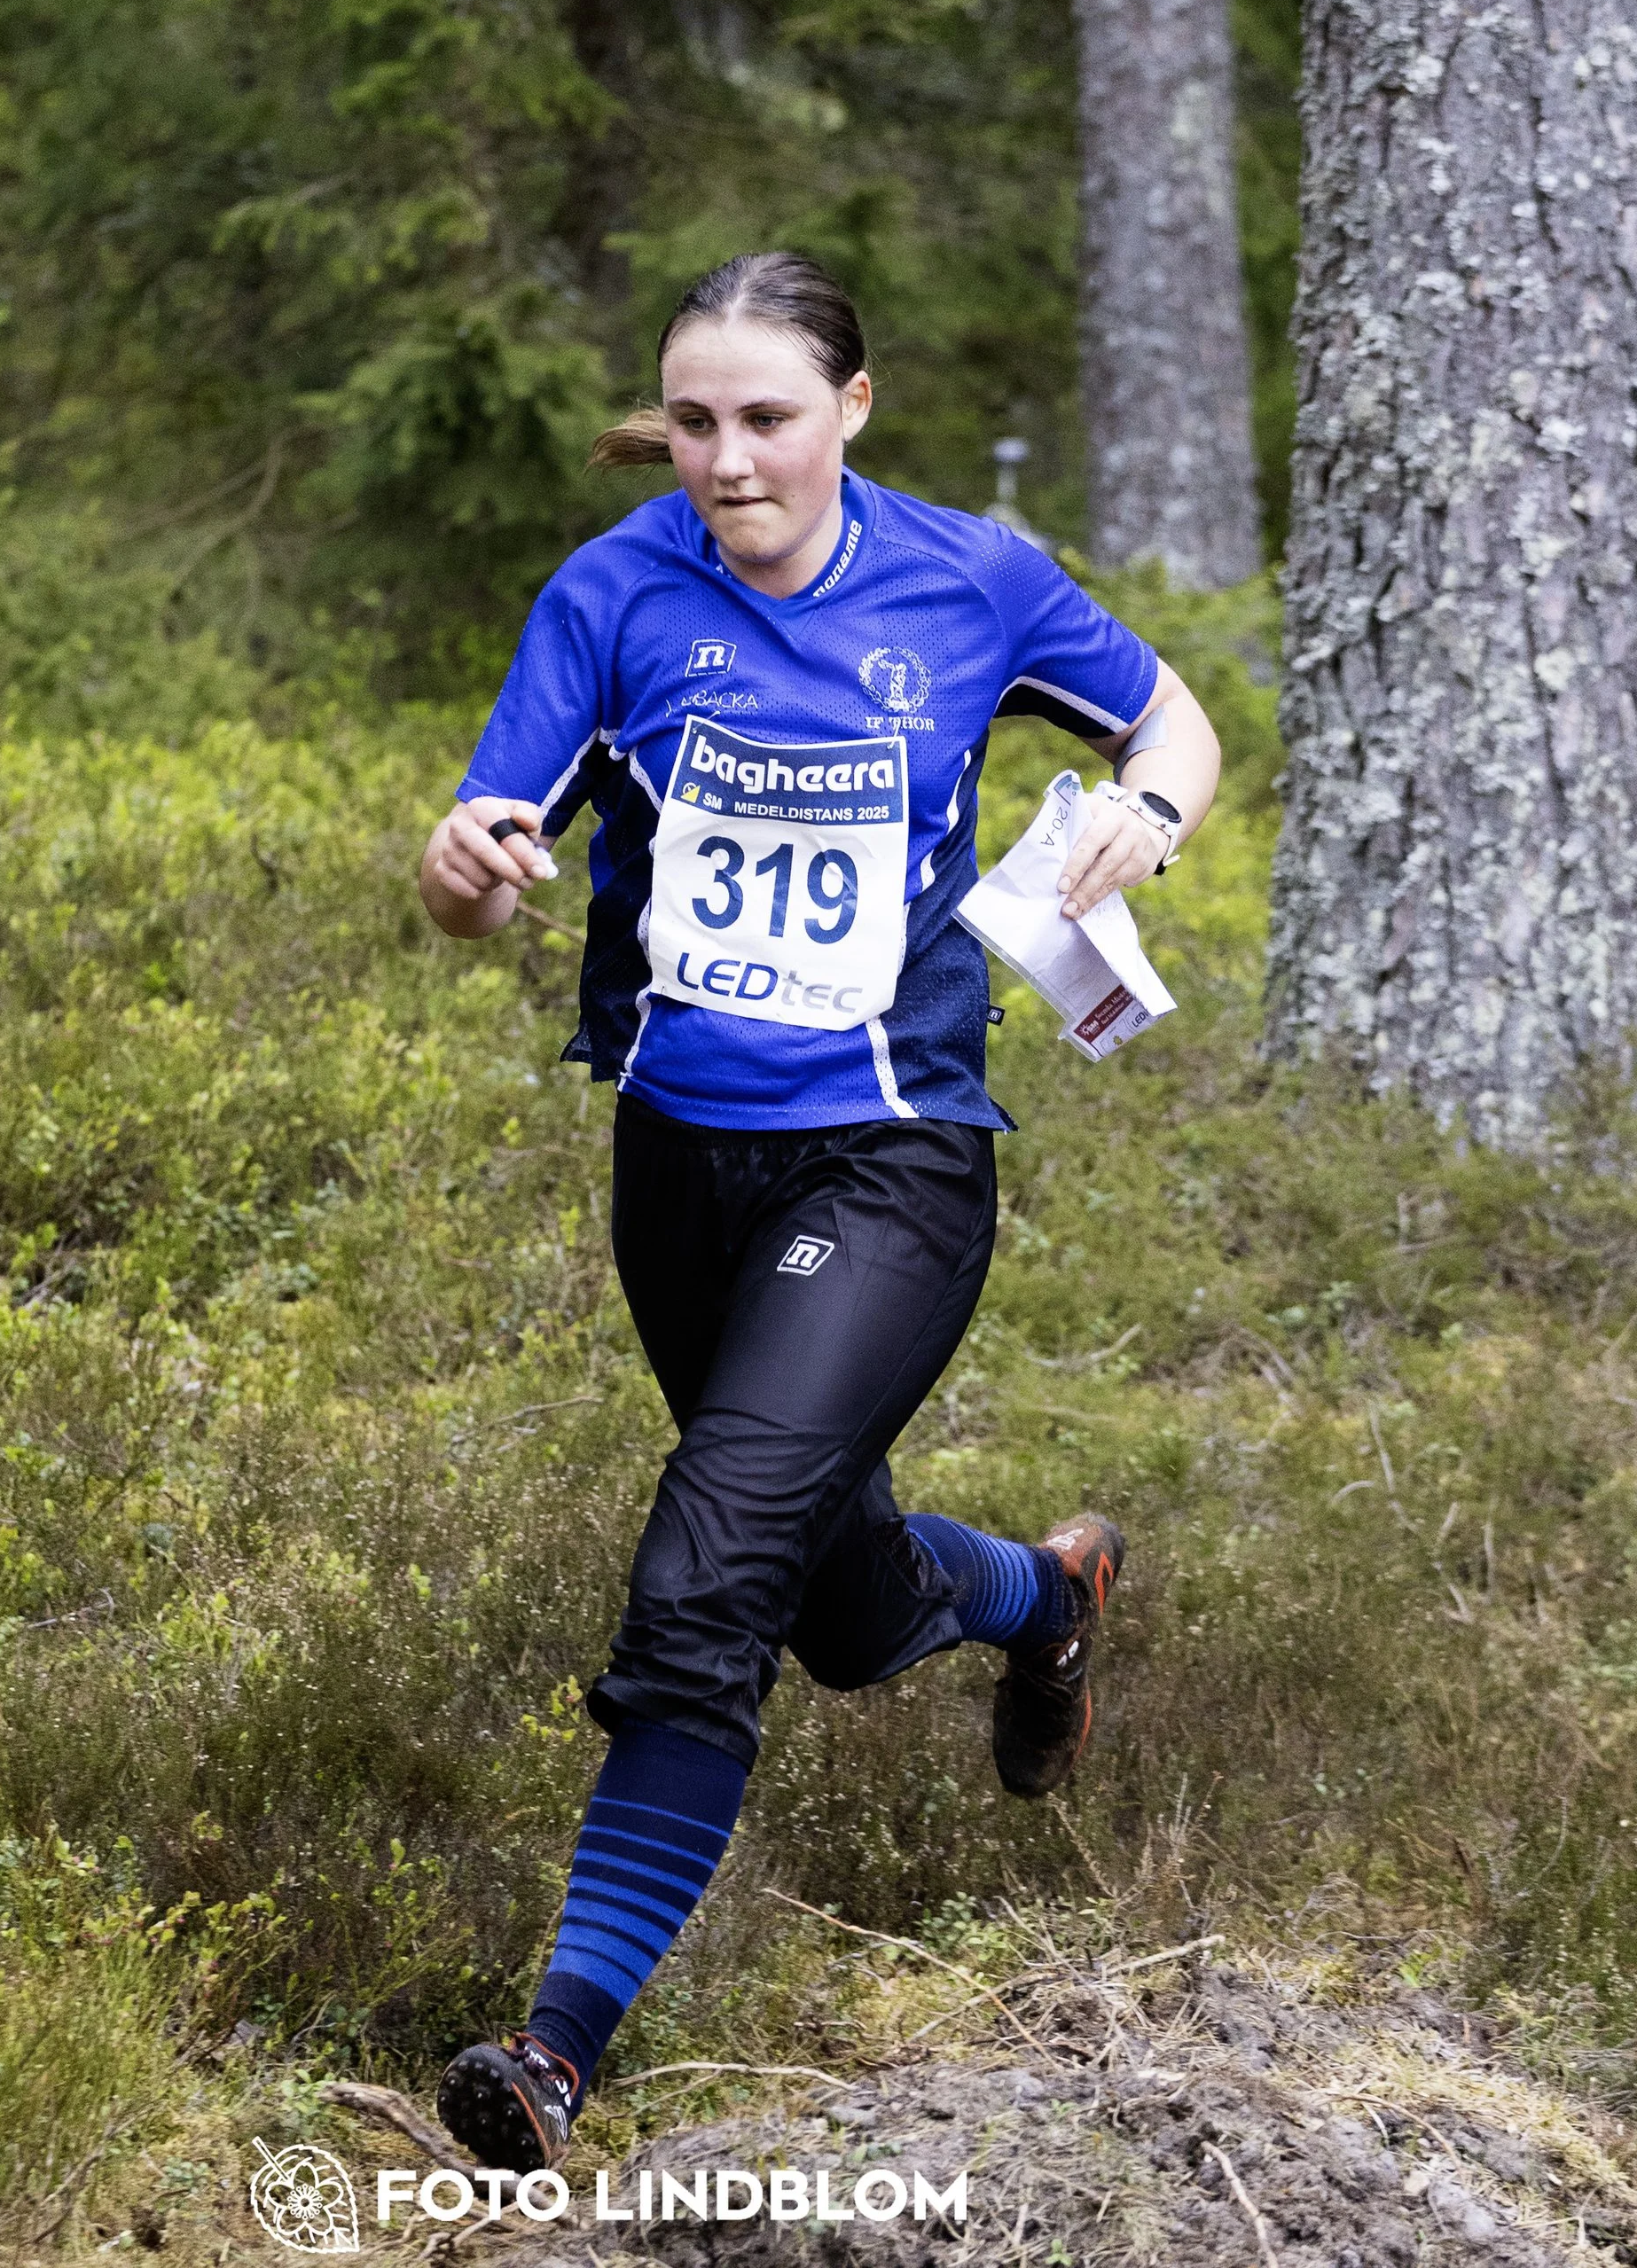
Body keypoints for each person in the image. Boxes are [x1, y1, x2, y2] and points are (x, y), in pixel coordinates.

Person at [416, 253, 1221, 2173]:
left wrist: (1149, 817)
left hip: (891, 1162)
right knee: (841, 1610)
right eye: (691, 419)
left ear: (852, 405)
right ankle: (1042, 1595)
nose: (724, 457)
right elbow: (475, 864)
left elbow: (1171, 717)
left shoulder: (967, 578)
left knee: (707, 1569)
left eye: (764, 416)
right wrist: (465, 870)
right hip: (678, 1167)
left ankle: (551, 2051)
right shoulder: (613, 593)